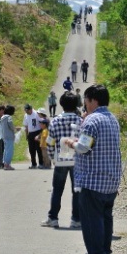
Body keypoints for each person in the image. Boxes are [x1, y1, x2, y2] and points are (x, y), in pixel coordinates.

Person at [63, 85, 122, 254]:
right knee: (105, 218)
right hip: (111, 179)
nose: (85, 105)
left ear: (93, 100)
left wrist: (70, 143)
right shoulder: (112, 119)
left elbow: (83, 147)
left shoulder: (91, 121)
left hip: (92, 179)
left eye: (86, 101)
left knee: (92, 219)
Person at [41, 91, 82, 229]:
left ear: (61, 104)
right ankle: (76, 219)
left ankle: (53, 218)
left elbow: (50, 142)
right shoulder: (80, 121)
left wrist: (52, 157)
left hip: (61, 159)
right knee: (76, 190)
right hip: (77, 160)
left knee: (57, 189)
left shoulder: (55, 121)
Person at [23, 104, 44, 169]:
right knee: (31, 150)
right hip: (31, 133)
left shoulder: (36, 114)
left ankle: (41, 163)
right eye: (25, 110)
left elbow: (42, 123)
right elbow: (26, 126)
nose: (26, 112)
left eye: (27, 110)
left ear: (31, 109)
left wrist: (41, 134)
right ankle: (33, 164)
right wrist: (26, 135)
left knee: (39, 149)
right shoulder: (26, 115)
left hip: (37, 132)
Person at [0, 105, 16, 170]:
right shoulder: (8, 117)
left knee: (5, 150)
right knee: (9, 151)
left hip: (4, 136)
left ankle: (5, 163)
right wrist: (14, 129)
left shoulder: (2, 117)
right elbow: (10, 124)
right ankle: (7, 164)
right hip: (9, 136)